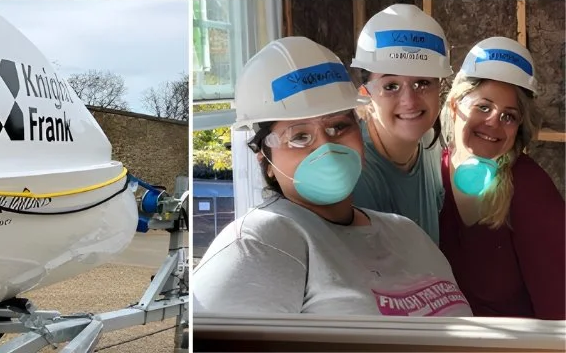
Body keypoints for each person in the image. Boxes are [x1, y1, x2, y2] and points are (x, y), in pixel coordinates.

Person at [192, 36, 472, 317]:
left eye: (339, 127)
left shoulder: (405, 232)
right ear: (265, 159)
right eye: (300, 137)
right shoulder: (259, 243)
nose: (326, 147)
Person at [438, 37, 566, 319]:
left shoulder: (528, 187)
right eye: (483, 107)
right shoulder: (428, 173)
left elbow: (560, 310)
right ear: (455, 106)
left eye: (509, 116)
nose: (493, 123)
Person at [350, 4, 452, 244]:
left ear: (439, 88)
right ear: (366, 93)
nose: (410, 101)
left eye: (423, 82)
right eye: (391, 86)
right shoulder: (357, 175)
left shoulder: (429, 142)